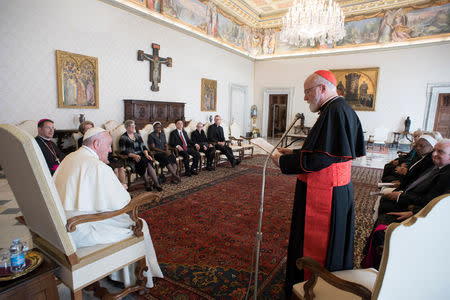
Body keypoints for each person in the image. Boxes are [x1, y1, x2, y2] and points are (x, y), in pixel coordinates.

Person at [271, 70, 365, 298]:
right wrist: (293, 151)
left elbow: (319, 159)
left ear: (322, 88)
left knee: (319, 244)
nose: (305, 98)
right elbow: (324, 149)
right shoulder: (338, 109)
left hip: (325, 194)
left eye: (307, 92)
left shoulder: (333, 112)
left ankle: (317, 286)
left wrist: (282, 161)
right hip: (335, 190)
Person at [53, 127, 163, 287]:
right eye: (109, 145)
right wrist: (122, 187)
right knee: (139, 224)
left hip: (63, 223)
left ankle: (116, 273)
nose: (111, 150)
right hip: (79, 230)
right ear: (96, 143)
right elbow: (123, 203)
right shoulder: (97, 166)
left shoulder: (70, 157)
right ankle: (135, 279)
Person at [363, 139, 450, 269]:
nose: (434, 154)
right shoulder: (438, 167)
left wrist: (414, 212)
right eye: (434, 150)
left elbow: (437, 204)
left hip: (424, 217)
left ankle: (377, 268)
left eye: (440, 152)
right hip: (417, 206)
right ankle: (369, 254)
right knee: (385, 207)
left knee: (384, 220)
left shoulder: (446, 175)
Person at [78, 121, 127, 189]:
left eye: (91, 128)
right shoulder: (82, 140)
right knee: (115, 170)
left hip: (108, 158)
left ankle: (124, 188)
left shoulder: (98, 137)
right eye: (87, 129)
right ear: (83, 131)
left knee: (121, 168)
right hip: (97, 160)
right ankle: (116, 189)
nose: (90, 130)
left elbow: (108, 151)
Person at [119, 120, 162, 192]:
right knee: (144, 162)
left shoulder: (137, 135)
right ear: (126, 128)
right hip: (131, 158)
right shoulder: (123, 137)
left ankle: (156, 183)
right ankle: (148, 183)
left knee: (148, 161)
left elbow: (143, 146)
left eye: (134, 126)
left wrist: (147, 154)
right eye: (131, 126)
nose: (133, 127)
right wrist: (134, 155)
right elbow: (123, 151)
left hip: (142, 155)